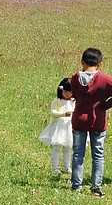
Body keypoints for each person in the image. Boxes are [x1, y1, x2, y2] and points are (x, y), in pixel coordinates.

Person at [68, 48, 112, 196]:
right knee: (98, 155)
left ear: (82, 61)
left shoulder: (75, 78)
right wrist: (104, 105)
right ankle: (96, 187)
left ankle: (76, 185)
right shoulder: (105, 79)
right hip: (97, 120)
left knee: (77, 154)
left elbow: (74, 94)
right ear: (99, 64)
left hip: (79, 119)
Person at [38, 79, 74, 176]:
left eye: (70, 92)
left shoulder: (73, 101)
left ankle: (67, 167)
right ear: (61, 90)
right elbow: (53, 112)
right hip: (59, 127)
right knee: (57, 146)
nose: (67, 94)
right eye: (65, 92)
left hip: (70, 127)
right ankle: (55, 167)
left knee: (68, 147)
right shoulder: (57, 101)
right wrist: (63, 114)